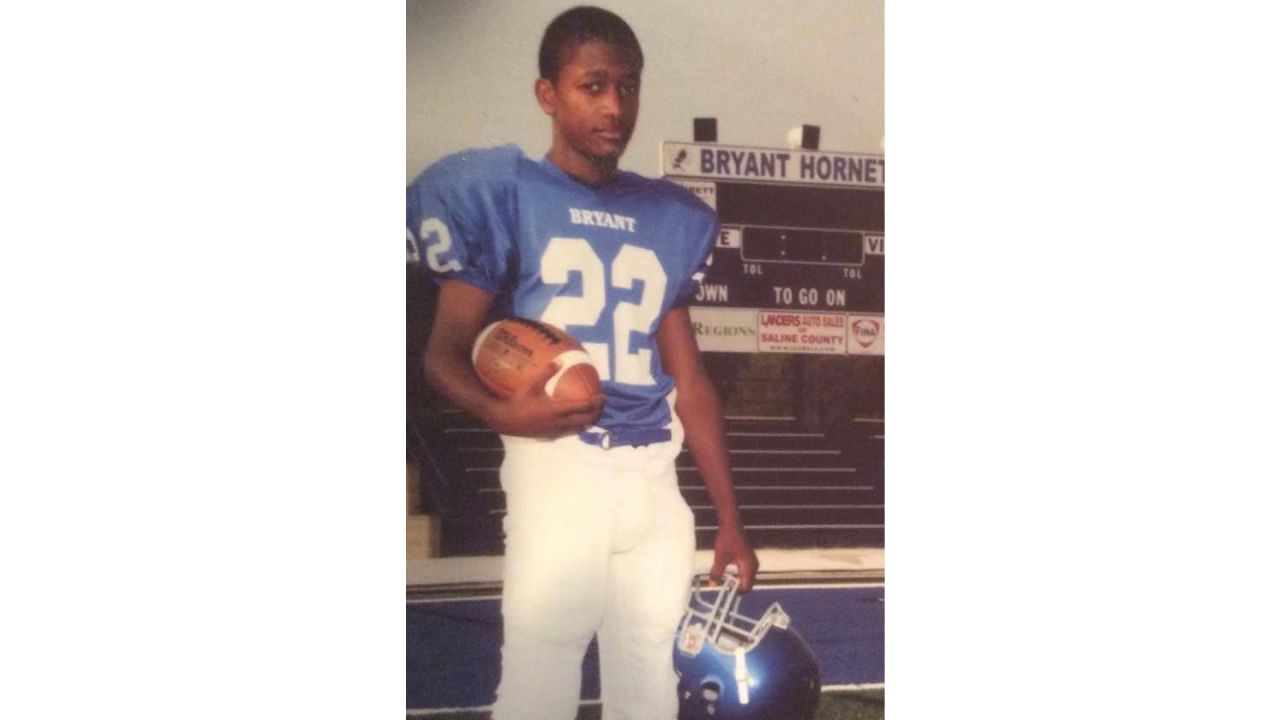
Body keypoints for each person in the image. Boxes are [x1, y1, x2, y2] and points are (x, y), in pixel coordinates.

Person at [407, 6, 757, 719]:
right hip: (561, 461)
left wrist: (729, 517)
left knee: (650, 683)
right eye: (592, 86)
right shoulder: (502, 191)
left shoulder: (671, 215)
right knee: (540, 678)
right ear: (548, 95)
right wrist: (505, 413)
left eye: (627, 87)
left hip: (654, 473)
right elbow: (442, 354)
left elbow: (689, 382)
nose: (614, 106)